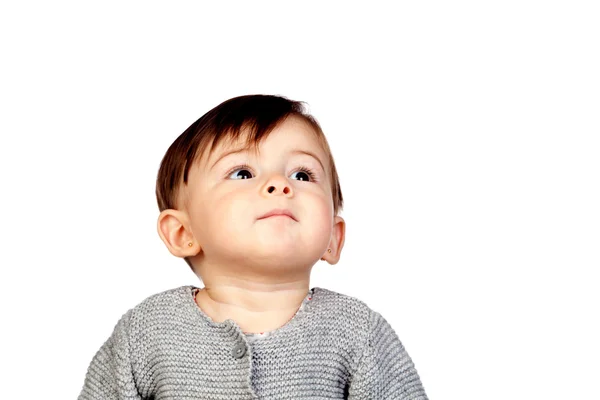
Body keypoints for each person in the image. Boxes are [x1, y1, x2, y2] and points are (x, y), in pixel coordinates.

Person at [78, 94, 428, 399]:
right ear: (182, 232)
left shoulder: (358, 333)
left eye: (302, 175)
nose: (279, 184)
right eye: (243, 173)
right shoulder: (145, 332)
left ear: (333, 238)